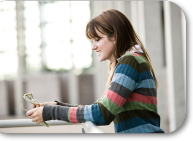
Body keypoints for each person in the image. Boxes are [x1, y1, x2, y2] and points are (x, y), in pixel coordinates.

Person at [26, 9, 164, 133]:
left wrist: (52, 112)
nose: (93, 47)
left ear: (114, 36)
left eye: (97, 39)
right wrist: (57, 106)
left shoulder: (130, 61)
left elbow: (102, 114)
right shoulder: (130, 61)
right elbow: (99, 108)